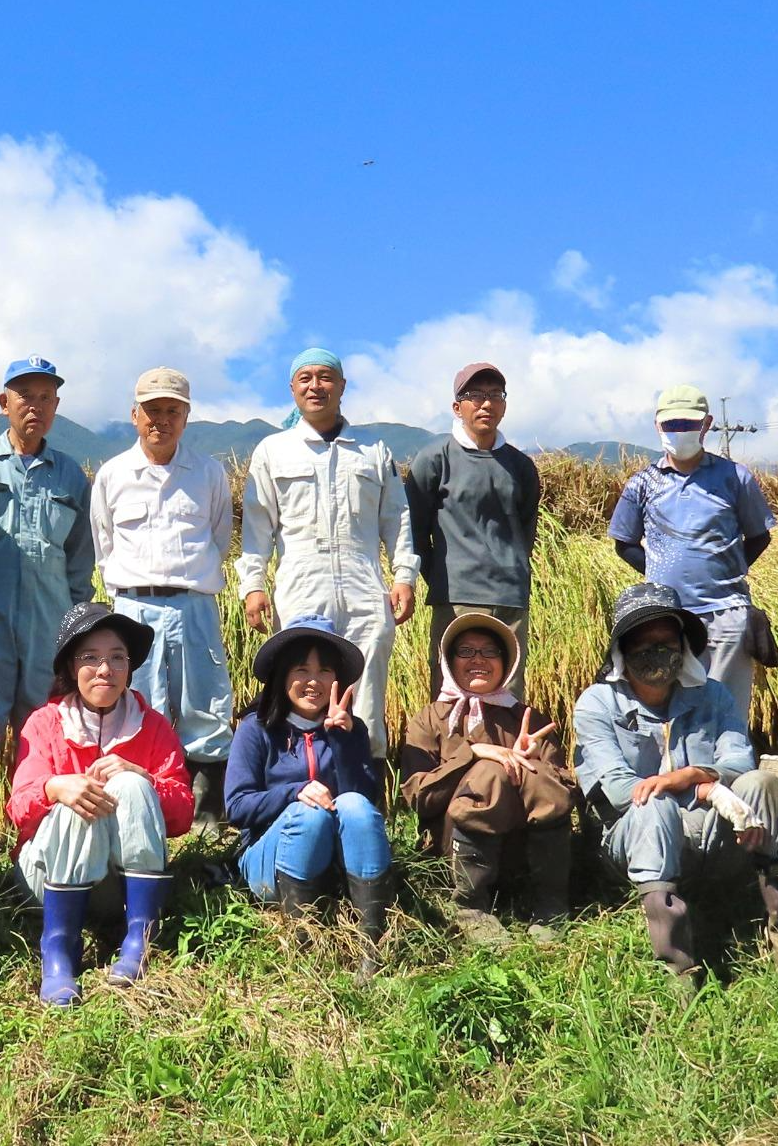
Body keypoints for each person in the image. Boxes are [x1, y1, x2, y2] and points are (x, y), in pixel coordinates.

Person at [571, 583, 778, 987]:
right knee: (654, 805)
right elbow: (620, 791)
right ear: (621, 652)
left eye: (665, 641)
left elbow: (737, 760)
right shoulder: (596, 704)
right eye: (643, 644)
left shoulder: (713, 696)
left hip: (716, 837)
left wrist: (700, 775)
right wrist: (684, 786)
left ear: (682, 646)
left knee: (762, 783)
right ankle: (680, 975)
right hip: (634, 842)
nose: (656, 652)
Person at [7, 602, 194, 1006]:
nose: (104, 669)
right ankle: (59, 950)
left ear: (130, 667)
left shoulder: (153, 725)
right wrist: (55, 787)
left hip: (119, 884)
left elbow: (182, 815)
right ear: (71, 667)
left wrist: (143, 779)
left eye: (117, 658)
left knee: (128, 781)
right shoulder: (44, 722)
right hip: (50, 877)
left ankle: (138, 937)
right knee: (78, 795)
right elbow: (17, 807)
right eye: (90, 658)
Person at [237, 349, 418, 763]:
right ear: (292, 389)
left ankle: (365, 785)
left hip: (364, 583)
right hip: (301, 583)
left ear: (342, 386)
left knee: (367, 684)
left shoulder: (373, 450)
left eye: (325, 377)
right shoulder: (273, 450)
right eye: (305, 378)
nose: (315, 386)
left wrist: (404, 574)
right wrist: (253, 586)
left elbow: (397, 517)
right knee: (303, 684)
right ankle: (304, 780)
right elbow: (258, 527)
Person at [90, 367, 237, 835]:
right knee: (138, 702)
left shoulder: (209, 473)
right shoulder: (113, 475)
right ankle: (142, 810)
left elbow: (220, 537)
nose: (162, 420)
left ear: (187, 416)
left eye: (172, 410)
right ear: (135, 416)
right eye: (152, 410)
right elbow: (104, 544)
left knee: (205, 700)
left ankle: (207, 815)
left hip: (194, 603)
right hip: (134, 606)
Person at [224, 615, 394, 978]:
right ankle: (304, 941)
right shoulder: (256, 728)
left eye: (324, 671)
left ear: (338, 679)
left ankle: (371, 945)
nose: (313, 681)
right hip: (270, 862)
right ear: (283, 675)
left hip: (335, 864)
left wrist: (343, 741)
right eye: (301, 669)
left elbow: (364, 806)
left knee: (353, 804)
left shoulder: (352, 729)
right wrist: (293, 793)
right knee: (309, 813)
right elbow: (236, 806)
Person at [0, 356, 97, 736]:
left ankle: (35, 797)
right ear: (3, 403)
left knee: (45, 729)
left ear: (56, 407)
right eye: (25, 395)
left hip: (51, 626)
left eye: (46, 397)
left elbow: (80, 557)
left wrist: (76, 624)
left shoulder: (71, 475)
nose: (35, 406)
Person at [398, 613, 574, 945]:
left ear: (506, 663)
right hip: (453, 850)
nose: (478, 659)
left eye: (489, 651)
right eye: (465, 651)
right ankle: (469, 906)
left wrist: (535, 759)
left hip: (521, 853)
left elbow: (564, 794)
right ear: (449, 662)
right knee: (490, 773)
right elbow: (418, 798)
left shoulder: (527, 718)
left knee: (537, 774)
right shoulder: (430, 719)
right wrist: (473, 753)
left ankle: (549, 904)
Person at [608, 384, 777, 720]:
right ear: (658, 426)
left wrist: (728, 569)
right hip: (667, 619)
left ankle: (725, 774)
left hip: (726, 614)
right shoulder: (642, 483)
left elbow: (759, 535)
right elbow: (624, 543)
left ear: (707, 423)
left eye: (688, 423)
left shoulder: (734, 477)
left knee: (726, 713)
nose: (679, 431)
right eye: (671, 425)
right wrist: (658, 574)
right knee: (669, 712)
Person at [405, 362, 542, 701]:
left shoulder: (520, 466)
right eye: (476, 395)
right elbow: (415, 531)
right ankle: (449, 755)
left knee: (506, 692)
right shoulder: (435, 458)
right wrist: (441, 577)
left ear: (505, 405)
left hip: (510, 597)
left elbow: (524, 530)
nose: (486, 403)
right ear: (457, 406)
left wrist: (512, 570)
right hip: (456, 598)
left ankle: (503, 754)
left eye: (495, 395)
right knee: (451, 690)